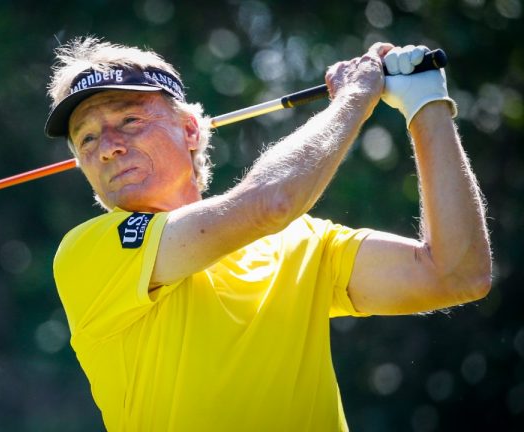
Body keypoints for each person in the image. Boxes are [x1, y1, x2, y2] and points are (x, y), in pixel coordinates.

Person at [44, 37, 491, 431]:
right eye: (87, 139)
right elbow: (271, 202)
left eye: (129, 121)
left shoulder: (301, 241)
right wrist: (356, 96)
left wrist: (426, 106)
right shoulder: (88, 252)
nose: (108, 147)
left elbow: (457, 274)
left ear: (190, 130)